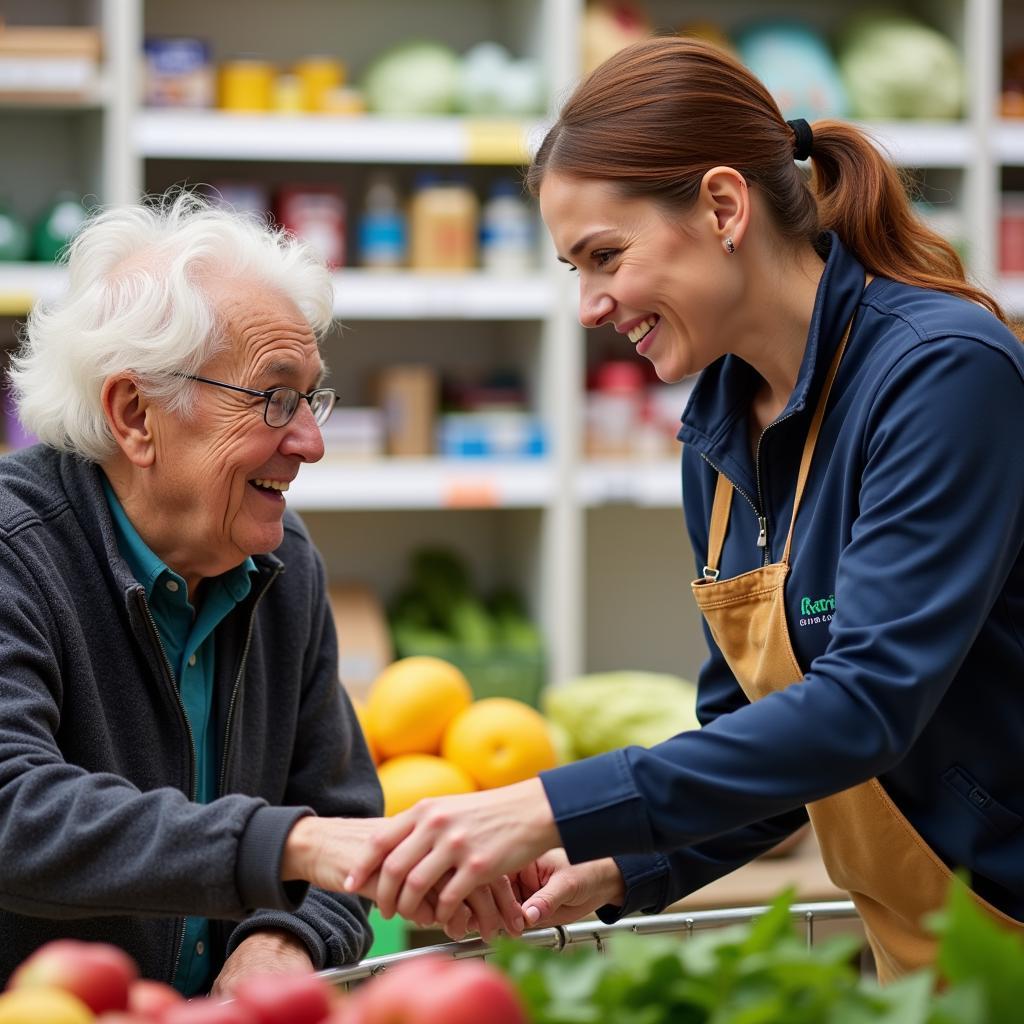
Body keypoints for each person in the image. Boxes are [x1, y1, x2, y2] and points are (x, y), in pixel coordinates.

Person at [342, 37, 1024, 982]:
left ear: (722, 206)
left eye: (604, 256)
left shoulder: (941, 374)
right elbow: (763, 743)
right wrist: (616, 865)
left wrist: (543, 804)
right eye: (572, 269)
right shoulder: (719, 432)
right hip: (931, 964)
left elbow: (865, 705)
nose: (588, 305)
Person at [0, 194, 517, 994]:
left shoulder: (281, 565)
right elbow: (14, 811)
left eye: (311, 398)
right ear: (136, 413)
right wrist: (287, 847)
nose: (309, 440)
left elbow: (344, 825)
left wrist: (287, 938)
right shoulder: (18, 555)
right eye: (275, 397)